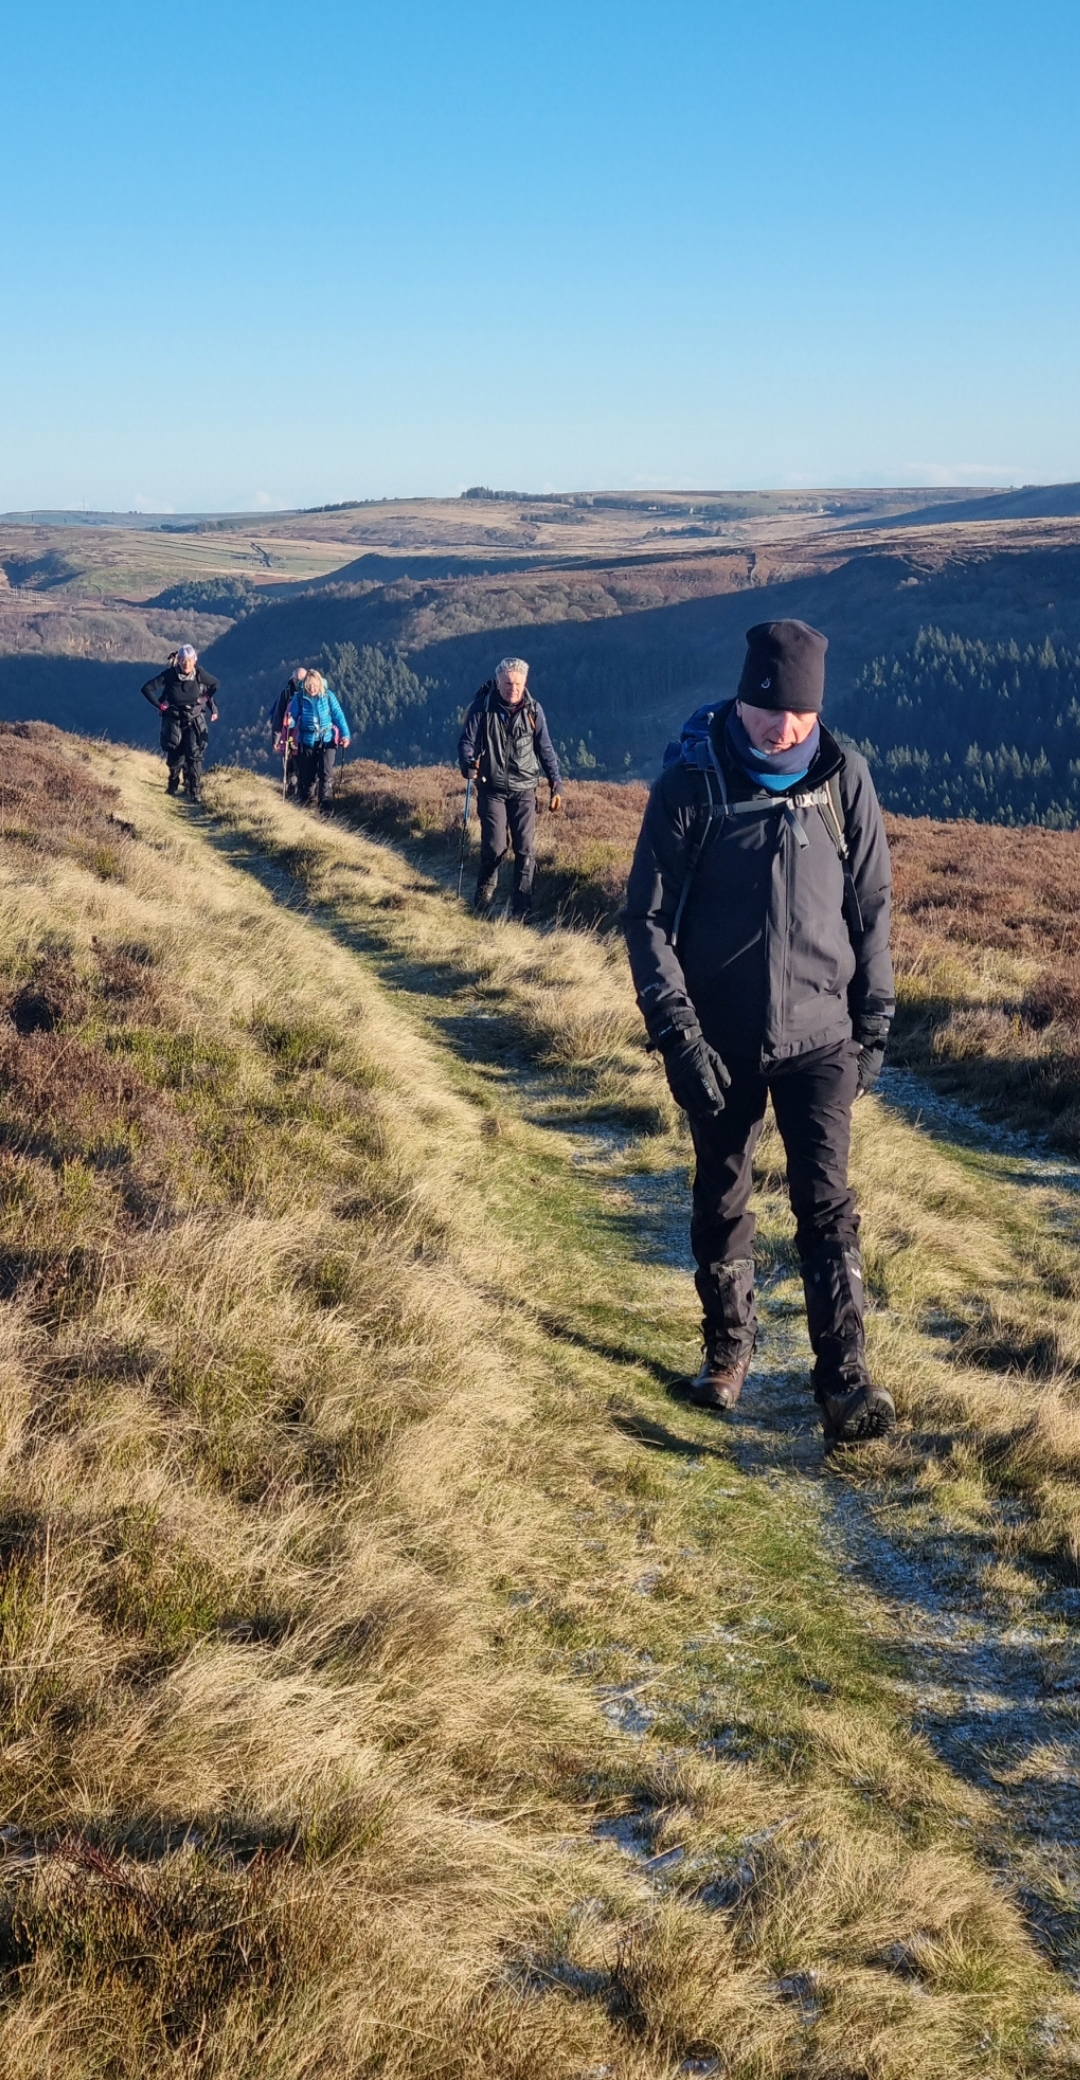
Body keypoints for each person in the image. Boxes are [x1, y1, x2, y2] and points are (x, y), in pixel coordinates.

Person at [624, 619, 895, 1444]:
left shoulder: (845, 780)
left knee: (827, 1205)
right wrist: (678, 1035)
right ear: (743, 700)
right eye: (772, 711)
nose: (786, 728)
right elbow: (646, 921)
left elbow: (872, 908)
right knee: (723, 1190)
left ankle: (844, 1383)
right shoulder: (690, 785)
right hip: (719, 1039)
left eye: (801, 714)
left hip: (823, 1036)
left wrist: (874, 1022)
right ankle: (728, 1352)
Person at [457, 656, 562, 920]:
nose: (513, 689)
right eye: (507, 683)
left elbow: (545, 748)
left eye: (517, 684)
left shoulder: (534, 710)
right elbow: (466, 742)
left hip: (524, 789)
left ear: (525, 683)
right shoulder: (482, 707)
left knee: (525, 849)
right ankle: (484, 896)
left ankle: (522, 910)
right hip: (491, 788)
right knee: (495, 846)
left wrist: (556, 784)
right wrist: (468, 763)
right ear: (498, 682)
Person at [141, 645, 219, 802]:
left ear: (194, 661)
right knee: (175, 755)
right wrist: (160, 705)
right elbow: (147, 688)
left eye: (190, 660)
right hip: (174, 719)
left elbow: (214, 684)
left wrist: (206, 701)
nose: (186, 664)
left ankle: (195, 791)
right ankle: (173, 783)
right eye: (183, 660)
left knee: (194, 755)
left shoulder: (199, 675)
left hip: (194, 719)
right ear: (178, 660)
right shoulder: (170, 675)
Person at [283, 668, 351, 809]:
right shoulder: (299, 697)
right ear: (304, 685)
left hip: (327, 741)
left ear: (320, 684)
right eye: (309, 685)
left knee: (326, 775)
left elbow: (338, 716)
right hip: (307, 742)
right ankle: (307, 803)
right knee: (308, 776)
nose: (312, 688)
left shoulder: (328, 696)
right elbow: (293, 717)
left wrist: (345, 736)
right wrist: (290, 722)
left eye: (314, 685)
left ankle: (325, 807)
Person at [270, 666, 307, 796]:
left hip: (304, 736)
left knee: (302, 765)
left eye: (301, 680)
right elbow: (278, 717)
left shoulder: (311, 693)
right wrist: (276, 739)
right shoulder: (286, 694)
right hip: (289, 736)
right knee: (290, 763)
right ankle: (293, 791)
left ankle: (302, 792)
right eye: (297, 680)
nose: (299, 683)